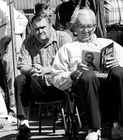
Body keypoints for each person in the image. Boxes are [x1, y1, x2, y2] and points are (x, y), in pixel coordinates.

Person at [51, 8, 123, 140]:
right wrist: (74, 73)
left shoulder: (109, 44)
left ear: (95, 26)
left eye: (89, 26)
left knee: (119, 71)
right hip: (83, 89)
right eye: (81, 26)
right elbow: (55, 78)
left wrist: (118, 63)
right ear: (74, 28)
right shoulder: (67, 49)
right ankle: (94, 129)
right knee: (88, 75)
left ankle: (120, 125)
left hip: (110, 87)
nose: (86, 30)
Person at [14, 13, 72, 139]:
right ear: (32, 29)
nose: (40, 31)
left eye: (43, 27)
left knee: (71, 77)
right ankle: (24, 123)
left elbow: (70, 64)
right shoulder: (28, 41)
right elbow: (22, 65)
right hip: (39, 86)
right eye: (36, 29)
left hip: (61, 86)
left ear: (50, 26)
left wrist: (47, 70)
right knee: (20, 79)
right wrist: (32, 70)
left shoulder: (63, 38)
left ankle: (69, 118)